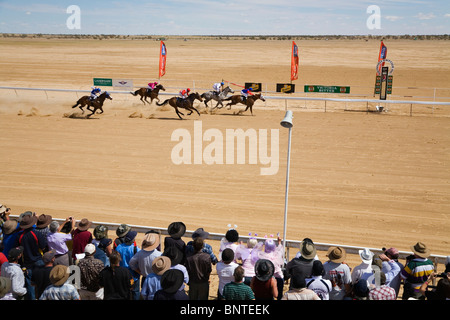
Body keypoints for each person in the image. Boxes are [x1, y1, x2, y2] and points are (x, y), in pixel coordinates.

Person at [16, 213, 47, 300]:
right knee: (41, 281)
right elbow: (43, 247)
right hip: (38, 260)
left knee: (30, 283)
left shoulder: (20, 236)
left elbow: (19, 249)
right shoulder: (37, 234)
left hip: (27, 262)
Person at [115, 230, 140, 300]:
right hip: (133, 275)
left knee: (124, 291)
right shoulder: (135, 249)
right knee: (135, 291)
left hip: (122, 274)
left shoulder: (119, 247)